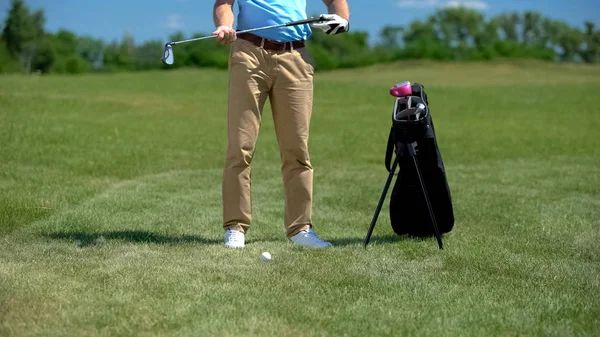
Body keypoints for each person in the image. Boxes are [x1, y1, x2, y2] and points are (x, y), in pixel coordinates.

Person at [212, 0, 350, 248]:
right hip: (248, 54)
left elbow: (334, 1)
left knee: (297, 149)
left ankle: (300, 229)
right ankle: (235, 226)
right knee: (240, 146)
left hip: (295, 58)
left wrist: (341, 18)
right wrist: (225, 26)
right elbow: (224, 4)